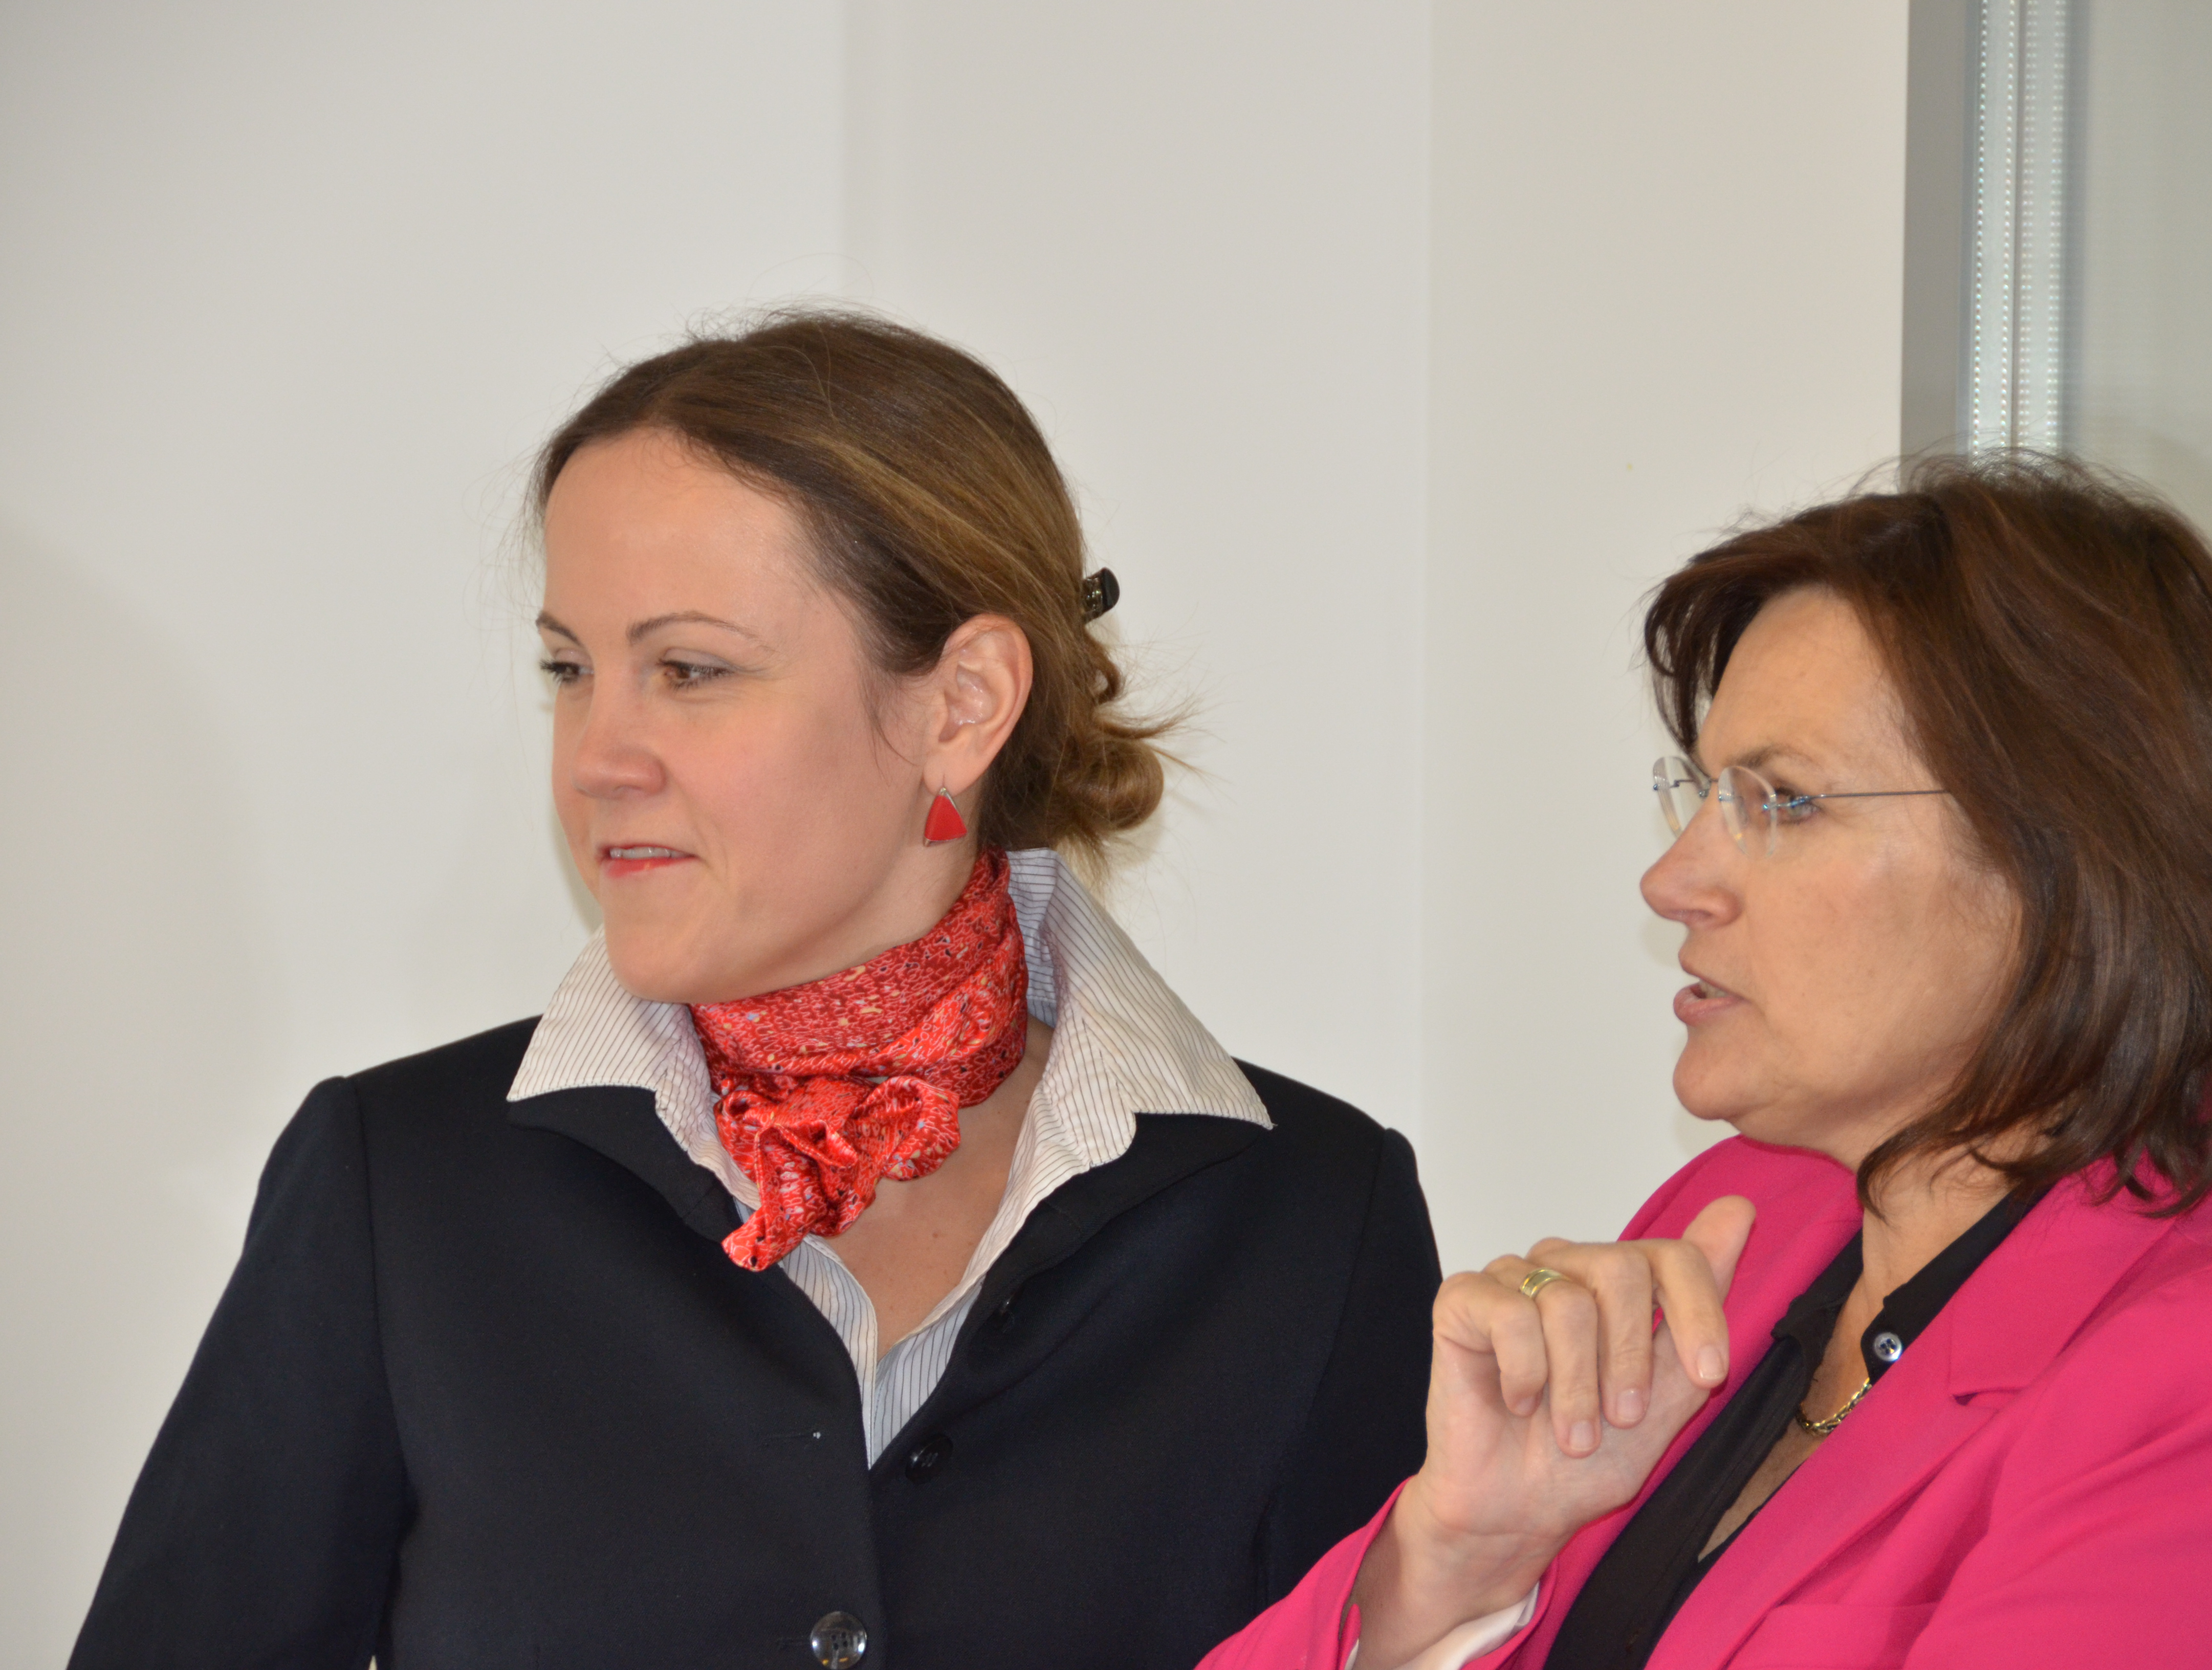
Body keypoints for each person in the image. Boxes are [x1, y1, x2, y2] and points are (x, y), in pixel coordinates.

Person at [72, 311, 1442, 1670]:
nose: (597, 757)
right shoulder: (401, 1185)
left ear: (961, 704)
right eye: (569, 670)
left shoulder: (1310, 1220)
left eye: (690, 670)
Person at [1200, 457, 2212, 1670]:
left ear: (2070, 868)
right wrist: (1460, 1561)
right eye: (1701, 793)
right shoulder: (1742, 1219)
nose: (1673, 880)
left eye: (1785, 801)